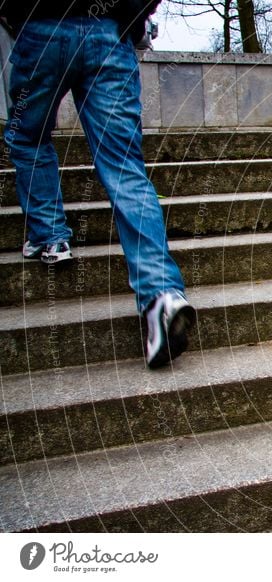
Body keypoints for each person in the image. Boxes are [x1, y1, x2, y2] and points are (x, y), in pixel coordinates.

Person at [1, 1, 196, 369]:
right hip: (109, 32)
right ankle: (161, 294)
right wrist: (134, 15)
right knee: (124, 166)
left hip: (40, 25)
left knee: (28, 138)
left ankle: (48, 235)